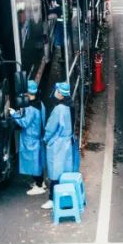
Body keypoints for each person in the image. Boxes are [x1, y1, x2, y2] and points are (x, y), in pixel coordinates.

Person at [41, 82, 73, 210]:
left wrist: (46, 139)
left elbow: (50, 128)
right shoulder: (70, 105)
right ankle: (65, 197)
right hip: (67, 143)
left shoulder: (58, 109)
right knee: (65, 171)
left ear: (60, 93)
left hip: (57, 144)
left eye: (56, 90)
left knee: (55, 172)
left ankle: (53, 199)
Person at [11, 80, 46, 196]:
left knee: (33, 163)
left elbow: (24, 123)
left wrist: (13, 114)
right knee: (38, 162)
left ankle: (39, 185)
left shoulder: (31, 108)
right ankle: (40, 182)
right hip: (37, 137)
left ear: (27, 92)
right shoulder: (40, 104)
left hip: (30, 139)